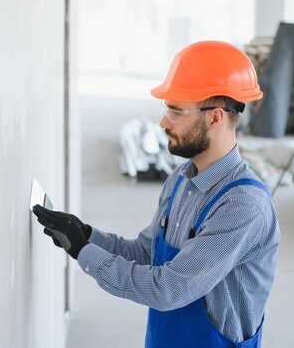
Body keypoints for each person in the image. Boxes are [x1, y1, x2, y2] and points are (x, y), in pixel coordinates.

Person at [33, 40, 280, 348]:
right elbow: (147, 254)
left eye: (176, 111)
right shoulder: (180, 180)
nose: (164, 122)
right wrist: (87, 235)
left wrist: (84, 252)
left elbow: (168, 290)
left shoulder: (243, 206)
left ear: (215, 118)